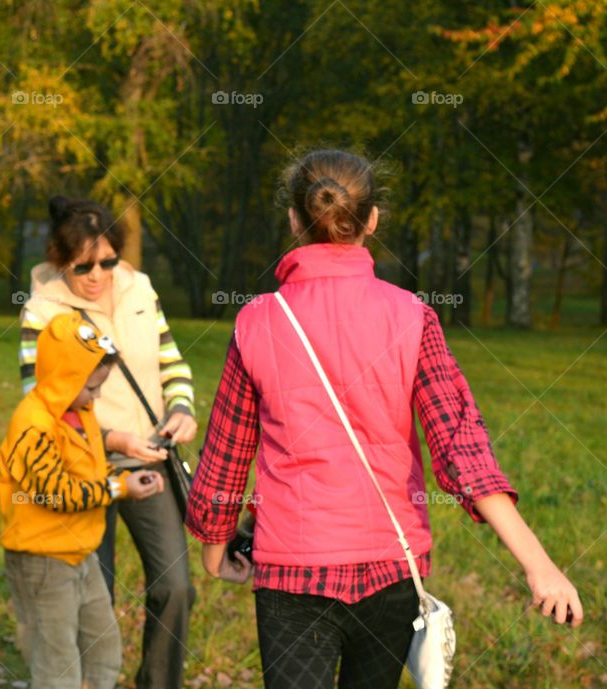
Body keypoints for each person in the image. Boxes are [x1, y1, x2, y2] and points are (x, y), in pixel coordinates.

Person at [185, 149, 584, 689]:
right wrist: (539, 563)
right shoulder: (412, 315)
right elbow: (460, 445)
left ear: (294, 219)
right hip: (394, 566)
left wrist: (215, 547)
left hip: (292, 572)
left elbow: (227, 452)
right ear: (372, 220)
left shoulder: (257, 320)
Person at [18, 196, 197, 689]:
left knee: (175, 585)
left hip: (149, 460)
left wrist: (181, 409)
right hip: (83, 466)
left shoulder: (139, 288)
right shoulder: (41, 311)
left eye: (108, 262)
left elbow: (172, 363)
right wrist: (113, 437)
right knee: (95, 593)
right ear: (60, 260)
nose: (98, 275)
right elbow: (40, 407)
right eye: (84, 267)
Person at [0, 312, 164, 689]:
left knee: (104, 653)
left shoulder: (80, 411)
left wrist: (120, 467)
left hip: (80, 553)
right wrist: (121, 487)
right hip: (43, 561)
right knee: (58, 669)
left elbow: (86, 464)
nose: (97, 396)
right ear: (62, 379)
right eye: (91, 387)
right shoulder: (33, 426)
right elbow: (58, 493)